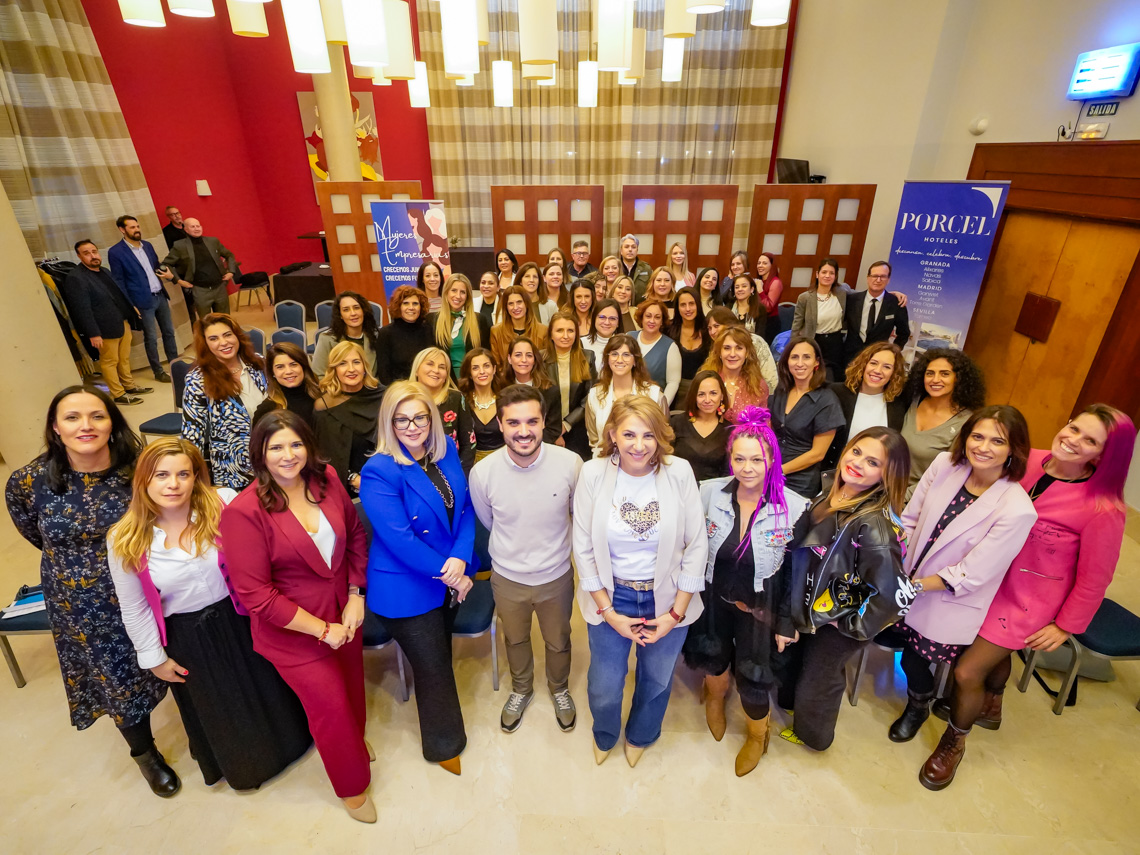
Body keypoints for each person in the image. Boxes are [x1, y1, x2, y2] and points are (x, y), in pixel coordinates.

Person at [920, 405, 1135, 791]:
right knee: (979, 650)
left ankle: (954, 742)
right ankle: (992, 701)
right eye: (1074, 428)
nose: (1072, 440)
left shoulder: (1104, 508)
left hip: (1027, 599)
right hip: (984, 577)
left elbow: (1095, 578)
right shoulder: (1026, 459)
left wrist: (1066, 626)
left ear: (1105, 455)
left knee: (966, 672)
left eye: (1090, 441)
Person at [107, 438, 312, 790]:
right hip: (188, 634)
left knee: (269, 685)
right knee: (221, 703)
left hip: (241, 615)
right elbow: (134, 606)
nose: (173, 484)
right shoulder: (125, 538)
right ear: (144, 480)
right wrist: (154, 658)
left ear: (196, 476)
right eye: (162, 475)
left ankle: (294, 742)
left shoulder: (223, 503)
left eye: (183, 474)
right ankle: (249, 766)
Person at [5, 387, 173, 797]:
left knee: (173, 657)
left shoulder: (140, 469)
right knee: (115, 679)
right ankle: (145, 754)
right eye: (73, 417)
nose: (86, 426)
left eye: (97, 416)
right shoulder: (28, 481)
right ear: (55, 427)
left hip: (147, 585)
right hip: (81, 602)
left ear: (112, 423)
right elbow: (34, 532)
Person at [219, 411, 374, 822]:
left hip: (344, 613)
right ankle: (352, 786)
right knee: (330, 708)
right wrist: (322, 630)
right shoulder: (244, 511)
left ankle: (353, 744)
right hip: (294, 632)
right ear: (260, 453)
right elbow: (256, 594)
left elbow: (356, 538)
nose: (288, 455)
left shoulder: (327, 480)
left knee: (352, 689)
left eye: (295, 444)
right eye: (276, 447)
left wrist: (356, 594)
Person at [881, 406, 1036, 746]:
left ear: (1014, 449)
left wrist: (912, 587)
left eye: (997, 441)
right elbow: (911, 519)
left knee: (915, 658)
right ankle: (920, 699)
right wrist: (895, 563)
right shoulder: (945, 465)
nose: (983, 447)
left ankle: (917, 706)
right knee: (897, 643)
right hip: (907, 577)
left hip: (945, 597)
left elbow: (971, 573)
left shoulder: (1017, 509)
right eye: (977, 436)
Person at [573, 395, 708, 766]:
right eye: (629, 434)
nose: (639, 445)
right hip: (611, 596)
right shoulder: (593, 473)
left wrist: (675, 614)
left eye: (648, 435)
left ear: (661, 436)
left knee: (657, 680)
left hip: (668, 597)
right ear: (612, 435)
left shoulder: (679, 472)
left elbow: (697, 544)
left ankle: (641, 735)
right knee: (604, 684)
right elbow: (582, 547)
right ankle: (605, 734)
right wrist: (608, 612)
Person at [682, 407, 810, 775]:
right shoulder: (709, 493)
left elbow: (796, 573)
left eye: (757, 459)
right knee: (713, 655)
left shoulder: (794, 508)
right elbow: (689, 545)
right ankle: (715, 699)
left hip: (761, 607)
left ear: (772, 459)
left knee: (755, 678)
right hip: (714, 598)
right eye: (739, 458)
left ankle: (758, 733)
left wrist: (787, 621)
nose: (747, 468)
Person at [358, 381, 476, 776]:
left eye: (420, 418)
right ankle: (445, 746)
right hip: (405, 587)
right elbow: (400, 540)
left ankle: (442, 736)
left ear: (432, 418)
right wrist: (452, 575)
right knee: (434, 668)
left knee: (438, 653)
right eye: (401, 419)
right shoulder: (379, 470)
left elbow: (465, 510)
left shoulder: (445, 452)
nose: (412, 427)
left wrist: (460, 558)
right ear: (389, 422)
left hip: (447, 575)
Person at [775, 426, 913, 751]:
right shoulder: (831, 490)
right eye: (856, 452)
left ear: (887, 475)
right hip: (816, 604)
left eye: (873, 462)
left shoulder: (875, 525)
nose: (857, 463)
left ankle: (814, 737)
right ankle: (794, 707)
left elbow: (892, 597)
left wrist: (850, 625)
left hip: (839, 620)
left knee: (819, 680)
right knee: (800, 665)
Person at [469, 385, 584, 732]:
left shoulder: (570, 464)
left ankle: (559, 688)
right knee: (515, 639)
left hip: (556, 576)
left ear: (544, 422)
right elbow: (489, 521)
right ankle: (521, 689)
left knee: (559, 640)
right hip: (508, 578)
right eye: (513, 422)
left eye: (532, 421)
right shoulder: (483, 473)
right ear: (500, 425)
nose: (523, 431)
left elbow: (576, 514)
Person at [59, 239, 150, 405]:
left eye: (94, 252)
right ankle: (118, 394)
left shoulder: (104, 271)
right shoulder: (76, 278)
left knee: (124, 358)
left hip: (121, 322)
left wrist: (131, 310)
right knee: (109, 361)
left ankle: (129, 386)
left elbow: (117, 295)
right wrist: (93, 333)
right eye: (86, 253)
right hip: (103, 328)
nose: (92, 256)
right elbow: (81, 309)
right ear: (79, 256)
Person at [181, 313, 266, 490]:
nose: (223, 342)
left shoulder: (258, 364)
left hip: (272, 459)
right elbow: (192, 435)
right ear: (205, 344)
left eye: (227, 335)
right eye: (214, 338)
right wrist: (192, 479)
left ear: (237, 336)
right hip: (233, 473)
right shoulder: (198, 380)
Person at [901, 349, 986, 500]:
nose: (935, 379)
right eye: (930, 373)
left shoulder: (966, 422)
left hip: (915, 500)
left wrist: (899, 500)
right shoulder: (912, 400)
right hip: (880, 486)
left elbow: (947, 475)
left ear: (958, 379)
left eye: (944, 374)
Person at [769, 335, 846, 498]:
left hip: (801, 482)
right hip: (771, 472)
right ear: (786, 361)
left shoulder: (827, 400)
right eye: (794, 357)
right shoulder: (781, 391)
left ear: (816, 362)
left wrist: (778, 470)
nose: (800, 363)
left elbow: (818, 454)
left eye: (806, 357)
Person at [108, 215, 179, 383]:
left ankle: (176, 366)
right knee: (151, 338)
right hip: (142, 301)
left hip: (160, 295)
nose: (137, 230)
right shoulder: (116, 252)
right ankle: (158, 371)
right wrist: (130, 305)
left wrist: (168, 274)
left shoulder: (147, 245)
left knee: (169, 332)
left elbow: (156, 267)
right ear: (122, 229)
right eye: (132, 227)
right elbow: (119, 281)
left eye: (137, 226)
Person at [314, 341, 385, 495]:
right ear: (334, 370)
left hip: (389, 477)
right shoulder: (325, 407)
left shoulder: (384, 396)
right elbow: (329, 456)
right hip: (352, 486)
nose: (351, 369)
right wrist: (354, 479)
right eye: (343, 363)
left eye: (356, 362)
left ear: (364, 366)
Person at [825, 341, 909, 468]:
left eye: (887, 367)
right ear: (863, 364)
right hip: (835, 471)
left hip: (875, 475)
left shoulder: (899, 403)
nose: (878, 371)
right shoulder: (837, 393)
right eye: (873, 363)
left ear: (894, 373)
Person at [583, 334, 665, 456]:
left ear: (635, 361)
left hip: (644, 460)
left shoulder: (654, 395)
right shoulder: (595, 395)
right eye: (614, 354)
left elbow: (663, 435)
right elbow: (594, 438)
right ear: (607, 359)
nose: (619, 360)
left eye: (626, 355)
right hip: (605, 459)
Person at [545, 310, 597, 460]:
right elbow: (538, 400)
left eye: (570, 330)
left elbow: (590, 396)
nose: (565, 335)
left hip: (577, 430)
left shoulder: (587, 357)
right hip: (547, 431)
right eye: (560, 330)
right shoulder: (540, 359)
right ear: (551, 334)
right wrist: (555, 432)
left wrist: (566, 424)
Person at [159, 217, 238, 317]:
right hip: (199, 290)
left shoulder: (213, 241)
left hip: (220, 287)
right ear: (186, 229)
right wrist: (178, 280)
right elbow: (166, 264)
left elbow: (229, 255)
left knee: (225, 319)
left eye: (198, 226)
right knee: (205, 321)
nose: (196, 229)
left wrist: (231, 271)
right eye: (193, 227)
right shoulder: (180, 246)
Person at [411, 346, 475, 468]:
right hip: (412, 470)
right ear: (416, 370)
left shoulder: (456, 398)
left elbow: (469, 444)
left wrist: (460, 474)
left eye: (442, 367)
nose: (436, 370)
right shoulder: (403, 399)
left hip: (450, 470)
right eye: (430, 364)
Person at [669, 370, 731, 483]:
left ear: (722, 396)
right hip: (677, 487)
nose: (707, 400)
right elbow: (665, 461)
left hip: (713, 491)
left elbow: (727, 473)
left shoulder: (730, 430)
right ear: (694, 396)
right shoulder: (676, 423)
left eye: (713, 393)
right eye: (701, 394)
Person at [843, 260, 910, 365]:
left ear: (888, 279)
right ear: (868, 278)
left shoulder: (896, 303)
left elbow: (904, 333)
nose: (878, 280)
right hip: (850, 358)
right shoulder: (852, 299)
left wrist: (893, 352)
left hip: (878, 358)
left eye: (883, 276)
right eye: (874, 276)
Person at [791, 258, 848, 381]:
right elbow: (796, 325)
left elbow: (863, 296)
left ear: (836, 276)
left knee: (832, 377)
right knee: (812, 376)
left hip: (835, 342)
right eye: (824, 272)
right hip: (814, 340)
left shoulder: (842, 294)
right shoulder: (805, 298)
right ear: (817, 274)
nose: (827, 276)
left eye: (831, 273)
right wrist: (793, 347)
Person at [499, 337, 562, 444]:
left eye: (529, 355)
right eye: (518, 355)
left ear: (534, 360)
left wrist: (528, 444)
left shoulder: (550, 390)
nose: (524, 360)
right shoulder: (500, 388)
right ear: (509, 359)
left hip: (540, 446)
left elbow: (553, 429)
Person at [429, 273, 491, 376]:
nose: (458, 296)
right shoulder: (432, 320)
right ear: (446, 292)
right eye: (454, 290)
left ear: (467, 296)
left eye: (463, 292)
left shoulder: (479, 320)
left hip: (472, 378)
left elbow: (486, 355)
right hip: (442, 378)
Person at [702, 327, 770, 421]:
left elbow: (764, 424)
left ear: (747, 353)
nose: (732, 354)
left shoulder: (758, 386)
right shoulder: (705, 381)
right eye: (727, 348)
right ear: (719, 352)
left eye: (739, 348)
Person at [705, 307, 778, 392]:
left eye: (716, 326)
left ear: (729, 324)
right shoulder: (714, 347)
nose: (712, 332)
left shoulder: (755, 342)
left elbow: (771, 379)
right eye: (709, 328)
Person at [312, 290, 382, 377]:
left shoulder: (377, 336)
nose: (353, 313)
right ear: (340, 315)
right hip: (338, 385)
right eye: (346, 310)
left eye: (356, 308)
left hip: (371, 385)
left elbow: (383, 374)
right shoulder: (327, 339)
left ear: (363, 311)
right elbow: (318, 375)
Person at [253, 342, 321, 429]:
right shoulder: (267, 409)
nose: (288, 371)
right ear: (272, 372)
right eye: (280, 367)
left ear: (303, 366)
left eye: (293, 364)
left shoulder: (322, 397)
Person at [375, 285, 434, 384]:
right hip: (398, 388)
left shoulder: (429, 330)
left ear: (421, 307)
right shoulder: (386, 333)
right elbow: (384, 373)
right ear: (398, 306)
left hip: (426, 386)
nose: (411, 308)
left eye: (415, 304)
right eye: (406, 303)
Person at [633, 298, 682, 407]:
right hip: (625, 403)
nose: (652, 321)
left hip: (652, 406)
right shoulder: (629, 337)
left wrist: (661, 407)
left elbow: (673, 383)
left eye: (657, 317)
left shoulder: (670, 347)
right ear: (641, 317)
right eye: (648, 316)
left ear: (662, 321)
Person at [459, 348, 504, 463]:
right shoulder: (461, 402)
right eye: (475, 368)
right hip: (472, 464)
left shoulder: (506, 399)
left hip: (504, 461)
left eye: (486, 366)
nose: (482, 371)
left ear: (494, 369)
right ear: (469, 373)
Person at [668, 286, 711, 403]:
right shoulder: (668, 330)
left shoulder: (708, 330)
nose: (688, 309)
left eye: (691, 304)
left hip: (703, 391)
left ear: (698, 305)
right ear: (677, 308)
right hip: (675, 392)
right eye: (683, 305)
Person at [490, 285, 546, 367]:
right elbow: (497, 365)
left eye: (519, 302)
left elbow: (544, 365)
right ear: (506, 307)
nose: (515, 307)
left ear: (526, 304)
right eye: (510, 304)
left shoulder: (543, 331)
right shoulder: (496, 331)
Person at [162, 205, 197, 325]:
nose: (176, 216)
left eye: (177, 213)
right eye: (173, 214)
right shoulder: (167, 232)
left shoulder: (187, 227)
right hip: (183, 270)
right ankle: (193, 325)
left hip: (197, 266)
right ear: (169, 217)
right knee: (190, 301)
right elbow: (170, 254)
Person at [582, 299, 622, 366]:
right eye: (602, 317)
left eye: (612, 318)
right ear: (594, 319)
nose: (607, 322)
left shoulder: (626, 345)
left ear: (618, 323)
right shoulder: (581, 343)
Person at [755, 253, 784, 344]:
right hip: (758, 320)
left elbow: (768, 308)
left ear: (772, 266)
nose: (760, 265)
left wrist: (760, 291)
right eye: (759, 263)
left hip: (770, 323)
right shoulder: (758, 281)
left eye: (764, 263)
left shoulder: (776, 282)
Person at [618, 235, 652, 302]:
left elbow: (651, 289)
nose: (630, 250)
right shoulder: (615, 267)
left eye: (633, 247)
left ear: (637, 251)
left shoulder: (646, 268)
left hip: (640, 305)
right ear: (621, 251)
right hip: (618, 305)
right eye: (626, 247)